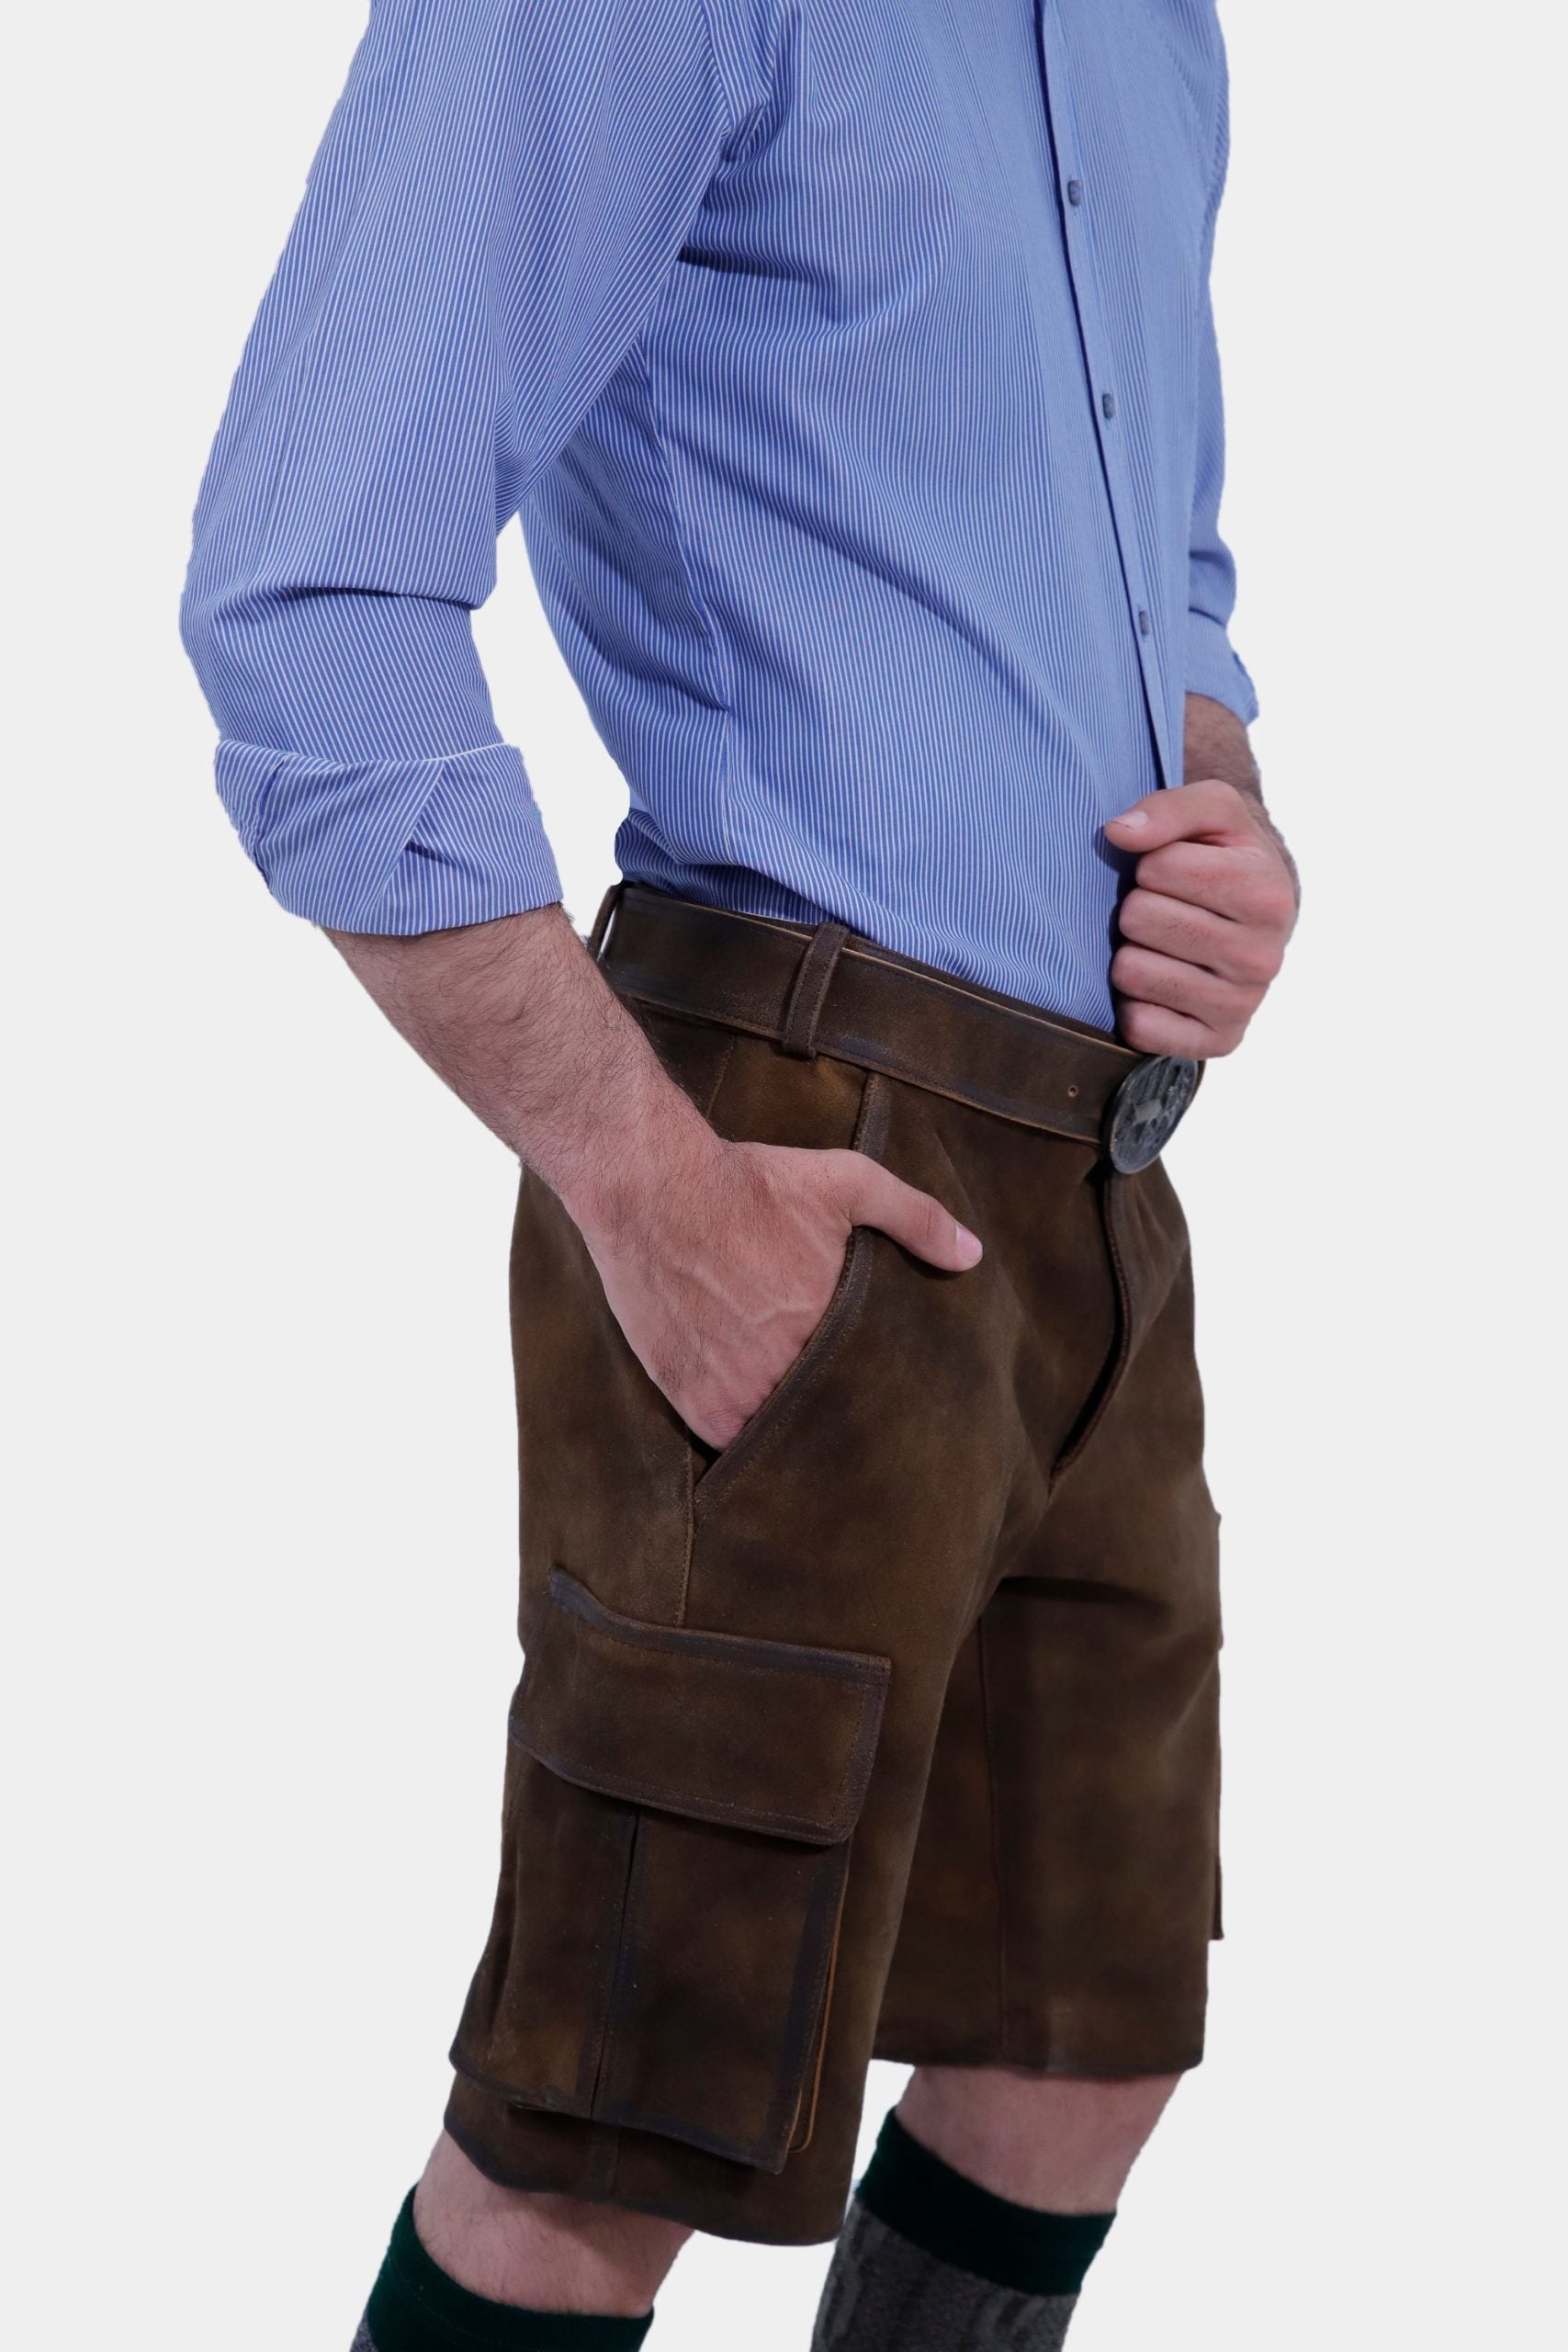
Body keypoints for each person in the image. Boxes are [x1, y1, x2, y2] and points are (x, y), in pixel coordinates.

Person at [181, 1, 1298, 2344]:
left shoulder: (1146, 30)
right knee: (622, 2113)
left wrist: (1216, 790)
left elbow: (1158, 552)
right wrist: (644, 1182)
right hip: (787, 1141)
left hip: (1090, 1182)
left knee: (1075, 2040)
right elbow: (310, 592)